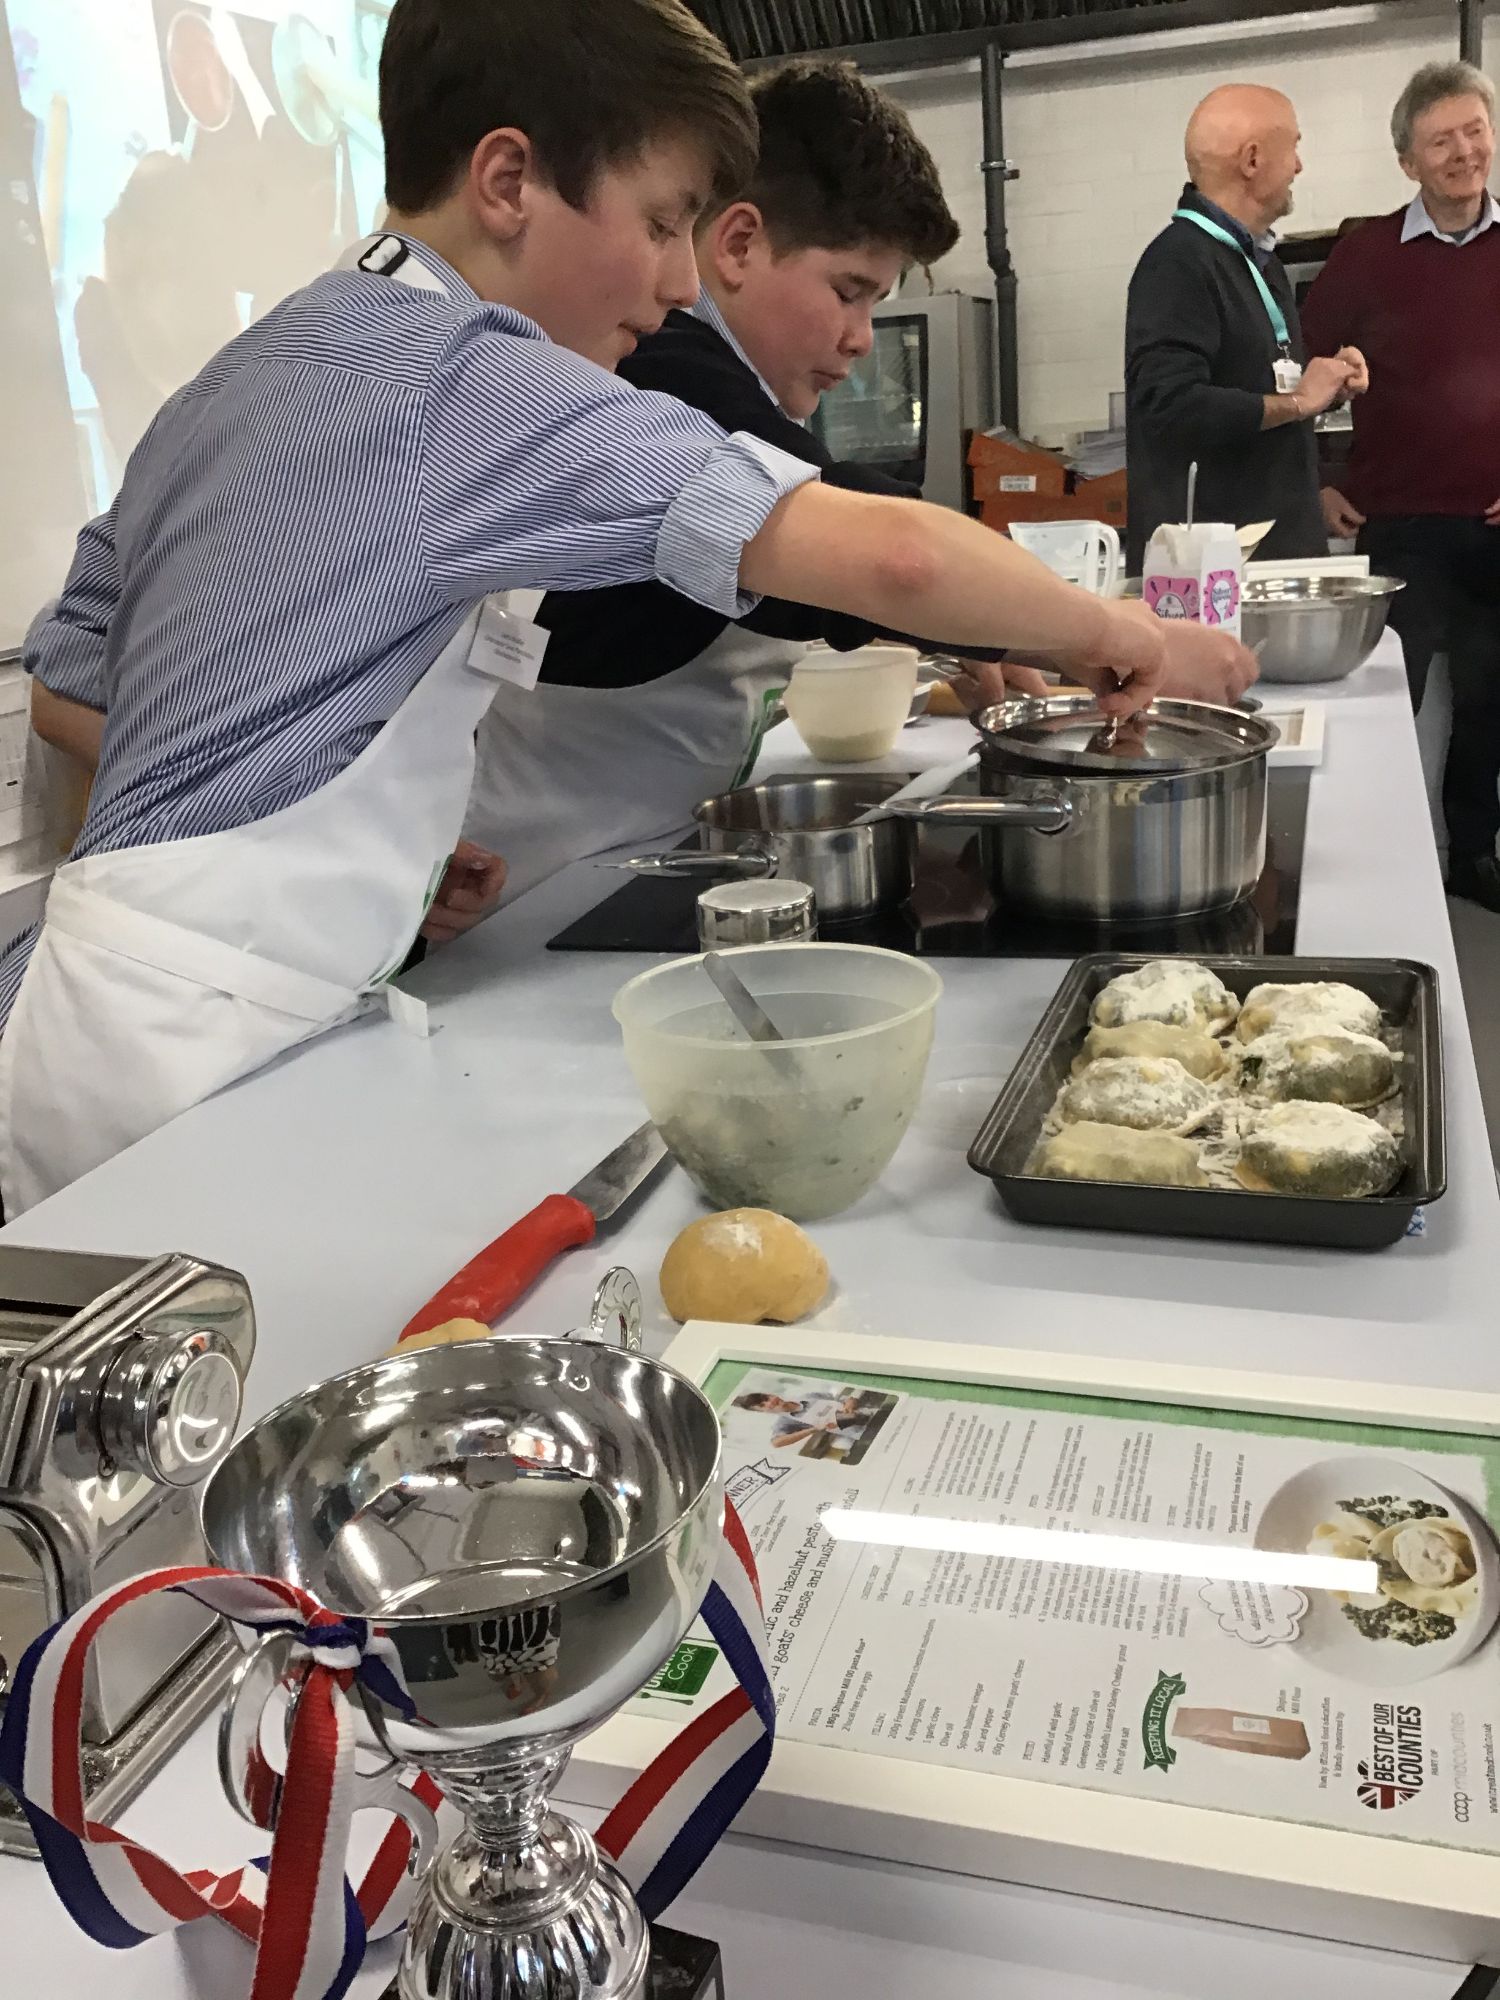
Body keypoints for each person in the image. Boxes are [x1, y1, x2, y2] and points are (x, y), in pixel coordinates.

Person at [8, 0, 1241, 1220]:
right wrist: (1115, 631)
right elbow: (893, 564)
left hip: (84, 1015)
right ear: (506, 181)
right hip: (208, 1063)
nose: (670, 287)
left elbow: (71, 683)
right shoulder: (466, 374)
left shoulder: (259, 361)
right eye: (659, 225)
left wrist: (314, 834)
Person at [466, 60, 1260, 901]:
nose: (860, 339)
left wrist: (975, 625)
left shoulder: (709, 376)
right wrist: (1106, 633)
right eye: (848, 293)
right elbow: (887, 557)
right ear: (736, 242)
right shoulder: (666, 367)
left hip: (622, 852)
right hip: (531, 883)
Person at [1301, 62, 1500, 911]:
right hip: (1401, 523)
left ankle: (1473, 859)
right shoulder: (1365, 254)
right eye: (1440, 141)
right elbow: (1294, 372)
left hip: (1495, 524)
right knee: (1388, 703)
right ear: (1407, 162)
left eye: (1474, 131)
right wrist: (1314, 480)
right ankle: (1373, 870)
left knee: (1491, 704)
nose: (1463, 153)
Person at [1125, 83, 1368, 572]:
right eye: (1294, 147)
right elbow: (1168, 406)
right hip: (1212, 582)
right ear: (1253, 160)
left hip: (1271, 565)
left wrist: (1327, 388)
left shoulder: (1259, 262)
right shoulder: (1177, 262)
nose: (1299, 166)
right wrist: (1300, 401)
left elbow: (1254, 394)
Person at [733, 1387, 862, 1450]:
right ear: (763, 1412)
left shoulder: (810, 1396)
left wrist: (849, 1404)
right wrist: (813, 1429)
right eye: (762, 1406)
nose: (770, 1403)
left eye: (767, 1398)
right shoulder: (785, 1422)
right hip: (861, 1434)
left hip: (870, 1414)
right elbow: (776, 1443)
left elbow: (848, 1399)